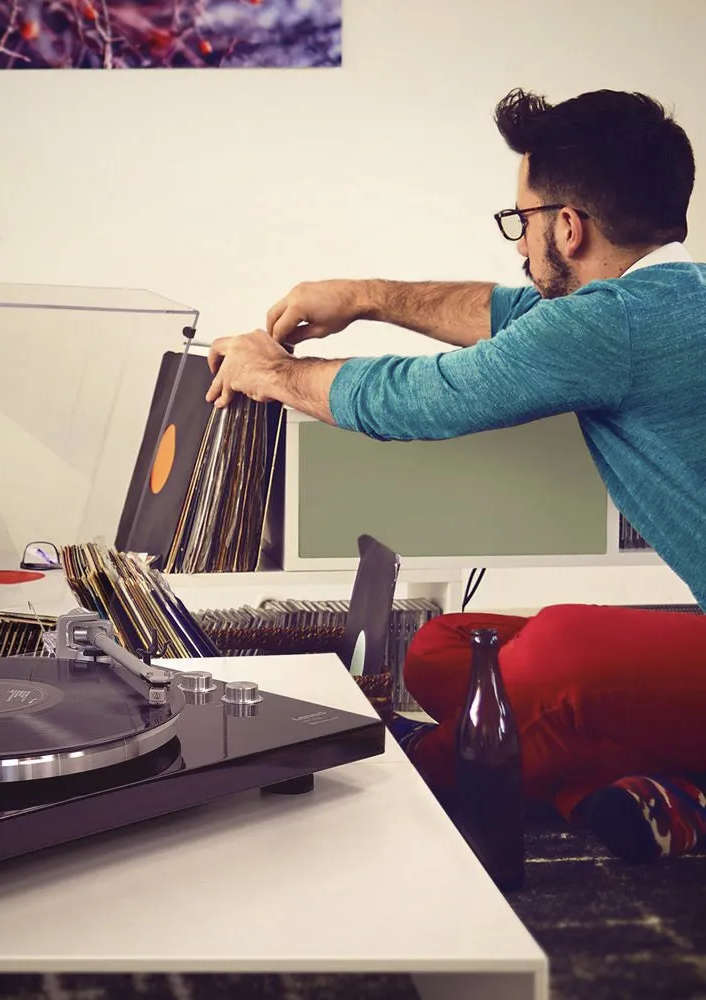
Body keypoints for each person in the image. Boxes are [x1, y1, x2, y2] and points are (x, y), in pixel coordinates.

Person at [205, 87, 706, 865]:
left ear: (566, 227)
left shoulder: (613, 323)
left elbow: (427, 399)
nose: (518, 244)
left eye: (522, 221)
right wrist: (364, 297)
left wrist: (275, 375)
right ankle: (659, 793)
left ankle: (384, 779)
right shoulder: (671, 296)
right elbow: (502, 309)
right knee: (445, 649)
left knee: (565, 649)